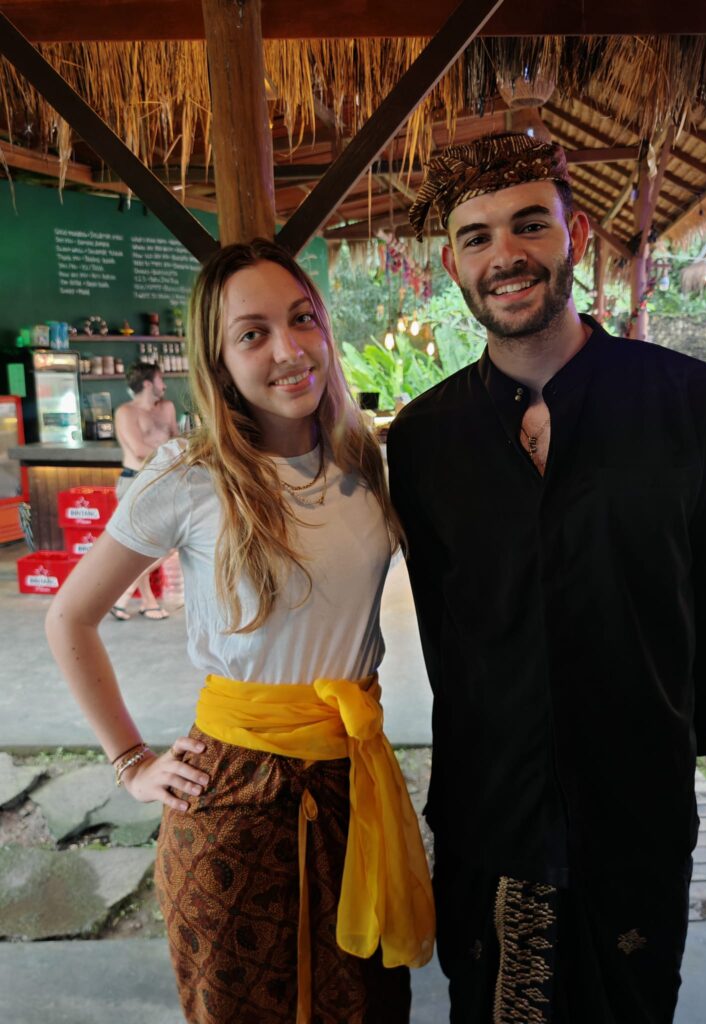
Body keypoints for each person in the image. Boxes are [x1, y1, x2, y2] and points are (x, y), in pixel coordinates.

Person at [386, 132, 706, 1023]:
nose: (504, 255)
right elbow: (445, 627)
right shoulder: (427, 437)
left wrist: (675, 741)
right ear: (452, 262)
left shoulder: (692, 404)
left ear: (575, 235)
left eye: (527, 227)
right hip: (493, 806)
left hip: (636, 803)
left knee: (631, 1004)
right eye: (476, 238)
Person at [46, 238, 434, 1024]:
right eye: (253, 334)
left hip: (351, 784)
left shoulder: (365, 461)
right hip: (230, 800)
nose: (288, 350)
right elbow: (70, 616)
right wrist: (131, 762)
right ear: (218, 362)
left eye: (302, 320)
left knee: (365, 1007)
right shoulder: (188, 477)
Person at [110, 361, 178, 620]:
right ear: (148, 383)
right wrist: (174, 456)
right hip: (136, 482)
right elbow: (139, 450)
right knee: (150, 547)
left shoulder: (168, 408)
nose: (165, 385)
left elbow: (177, 438)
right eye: (161, 379)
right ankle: (133, 596)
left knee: (168, 544)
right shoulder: (126, 412)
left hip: (163, 480)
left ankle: (132, 598)